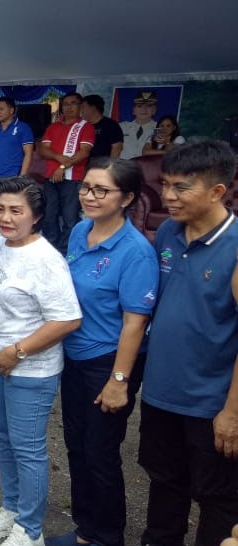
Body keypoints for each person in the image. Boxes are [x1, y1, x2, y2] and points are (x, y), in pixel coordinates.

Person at [46, 158, 158, 546]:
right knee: (77, 447)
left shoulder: (135, 252)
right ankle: (85, 532)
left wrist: (119, 381)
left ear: (126, 198)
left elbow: (135, 323)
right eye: (85, 187)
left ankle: (108, 537)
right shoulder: (80, 232)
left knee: (101, 453)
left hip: (108, 361)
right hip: (74, 357)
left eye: (101, 190)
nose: (89, 196)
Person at [0, 178, 82, 546]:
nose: (6, 217)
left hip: (29, 369)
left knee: (28, 447)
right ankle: (12, 507)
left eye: (17, 211)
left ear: (37, 216)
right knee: (3, 439)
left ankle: (30, 529)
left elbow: (67, 319)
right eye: (1, 209)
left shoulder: (46, 260)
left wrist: (17, 352)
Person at [138, 141, 238, 546]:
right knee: (164, 483)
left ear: (217, 191)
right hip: (162, 393)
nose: (167, 197)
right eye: (165, 185)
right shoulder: (167, 231)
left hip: (210, 403)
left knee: (218, 499)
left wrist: (232, 412)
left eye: (181, 188)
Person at [38, 92, 95, 254]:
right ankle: (50, 251)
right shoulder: (53, 126)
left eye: (73, 103)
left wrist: (62, 168)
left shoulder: (86, 126)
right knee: (49, 216)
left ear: (81, 106)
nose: (69, 107)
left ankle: (64, 253)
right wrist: (59, 157)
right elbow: (43, 150)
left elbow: (84, 152)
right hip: (50, 178)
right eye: (66, 104)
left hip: (73, 178)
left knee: (70, 219)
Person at [81, 94, 124, 159]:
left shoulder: (110, 124)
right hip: (83, 166)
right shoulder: (83, 126)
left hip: (102, 166)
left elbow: (117, 147)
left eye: (83, 107)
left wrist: (110, 166)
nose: (81, 111)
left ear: (93, 108)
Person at [120, 90, 158, 159]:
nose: (144, 109)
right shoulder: (121, 127)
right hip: (123, 167)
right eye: (139, 106)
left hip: (148, 167)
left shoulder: (160, 129)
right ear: (133, 110)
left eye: (148, 106)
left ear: (154, 110)